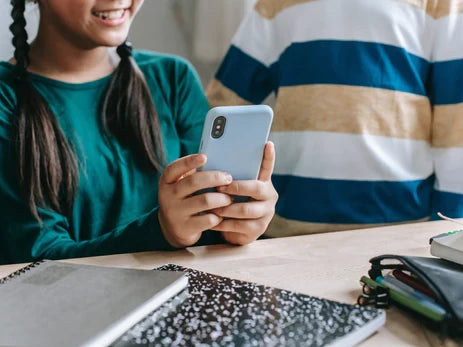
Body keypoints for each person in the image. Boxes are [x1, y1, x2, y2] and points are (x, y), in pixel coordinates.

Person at [0, 0, 278, 265]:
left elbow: (206, 226)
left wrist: (236, 224)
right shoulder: (6, 98)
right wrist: (161, 232)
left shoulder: (173, 78)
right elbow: (36, 259)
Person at [207, 0, 463, 237]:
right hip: (287, 230)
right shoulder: (277, 3)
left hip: (397, 231)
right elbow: (223, 107)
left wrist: (449, 230)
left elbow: (455, 126)